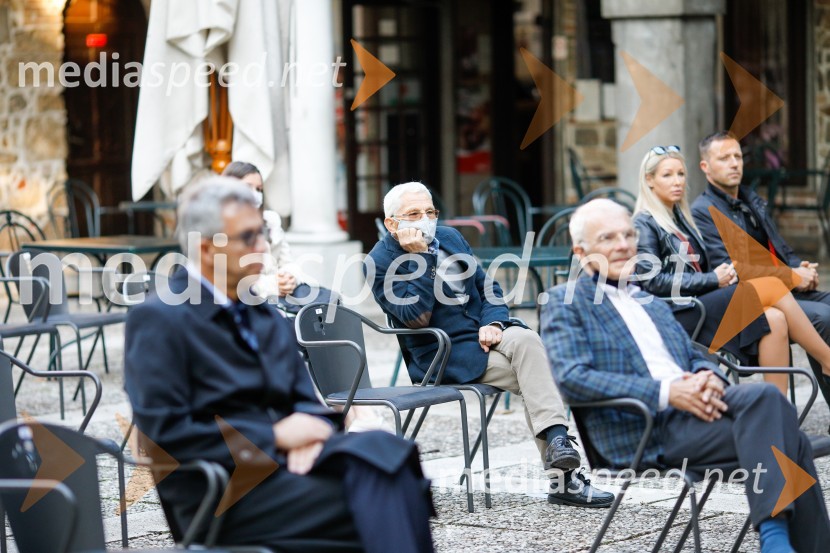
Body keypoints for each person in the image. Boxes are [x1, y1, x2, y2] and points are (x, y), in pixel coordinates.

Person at [124, 177, 434, 552]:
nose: (262, 248)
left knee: (392, 460)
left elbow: (302, 397)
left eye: (263, 234)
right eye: (249, 238)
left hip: (289, 467)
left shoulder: (260, 312)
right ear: (207, 249)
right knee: (378, 499)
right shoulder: (160, 318)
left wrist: (313, 428)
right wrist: (275, 437)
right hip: (222, 490)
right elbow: (165, 434)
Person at [542, 199, 830, 553]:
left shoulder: (647, 300)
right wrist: (667, 391)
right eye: (607, 238)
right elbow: (572, 378)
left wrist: (708, 377)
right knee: (787, 435)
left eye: (628, 235)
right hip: (645, 427)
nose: (622, 245)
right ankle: (775, 541)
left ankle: (780, 542)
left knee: (773, 413)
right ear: (581, 251)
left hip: (696, 411)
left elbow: (694, 354)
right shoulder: (565, 301)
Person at [364, 181, 614, 508]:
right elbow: (416, 319)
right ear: (392, 223)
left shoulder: (451, 238)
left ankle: (559, 453)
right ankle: (563, 473)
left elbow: (489, 288)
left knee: (525, 338)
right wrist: (421, 258)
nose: (425, 219)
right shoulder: (378, 262)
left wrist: (492, 322)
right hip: (442, 352)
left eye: (430, 212)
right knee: (539, 373)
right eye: (414, 213)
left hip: (484, 336)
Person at [633, 145, 830, 394]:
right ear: (649, 180)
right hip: (678, 312)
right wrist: (712, 279)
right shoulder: (644, 222)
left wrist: (718, 278)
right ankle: (828, 361)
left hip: (698, 303)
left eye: (681, 174)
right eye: (667, 175)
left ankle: (778, 417)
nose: (677, 182)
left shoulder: (681, 218)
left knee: (775, 318)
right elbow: (653, 282)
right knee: (770, 285)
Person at [691, 131, 830, 404]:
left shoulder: (750, 199)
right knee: (823, 319)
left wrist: (801, 269)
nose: (734, 164)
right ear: (705, 167)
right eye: (724, 158)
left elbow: (780, 248)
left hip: (783, 289)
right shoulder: (703, 210)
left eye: (737, 156)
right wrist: (792, 276)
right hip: (751, 298)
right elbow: (732, 270)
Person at [222, 161, 335, 314]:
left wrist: (290, 278)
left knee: (329, 307)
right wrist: (274, 284)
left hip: (282, 301)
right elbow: (230, 282)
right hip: (251, 307)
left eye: (259, 189)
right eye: (248, 187)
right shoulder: (220, 229)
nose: (255, 194)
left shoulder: (270, 221)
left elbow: (288, 262)